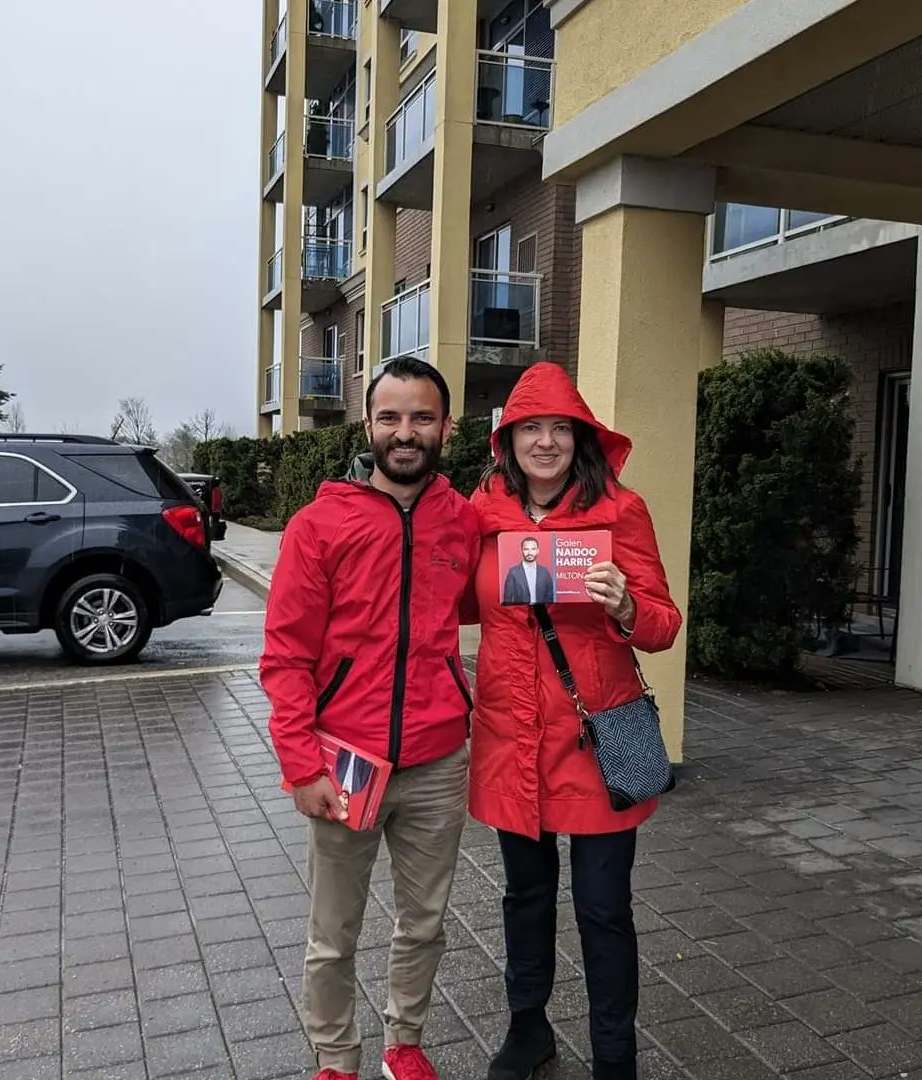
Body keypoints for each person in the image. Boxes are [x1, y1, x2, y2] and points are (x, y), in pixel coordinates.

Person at [260, 356, 480, 1080]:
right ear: (368, 425)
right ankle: (335, 1057)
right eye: (391, 416)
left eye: (422, 417)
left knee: (424, 922)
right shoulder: (319, 525)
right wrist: (300, 764)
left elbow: (489, 602)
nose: (406, 432)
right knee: (334, 933)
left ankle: (403, 1042)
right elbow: (287, 655)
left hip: (439, 761)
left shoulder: (463, 521)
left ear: (446, 427)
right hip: (344, 764)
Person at [467, 362, 681, 1080]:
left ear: (582, 438)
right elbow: (456, 599)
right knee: (524, 895)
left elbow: (662, 625)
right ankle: (528, 1032)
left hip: (594, 738)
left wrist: (624, 603)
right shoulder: (483, 510)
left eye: (561, 428)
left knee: (602, 908)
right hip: (509, 733)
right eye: (532, 428)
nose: (547, 442)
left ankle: (615, 1059)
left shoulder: (622, 511)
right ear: (509, 440)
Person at [502, 536, 556, 605]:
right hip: (521, 614)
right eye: (526, 549)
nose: (529, 552)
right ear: (522, 550)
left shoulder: (544, 572)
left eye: (533, 549)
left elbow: (550, 597)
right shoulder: (513, 572)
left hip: (541, 613)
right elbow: (507, 600)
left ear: (538, 551)